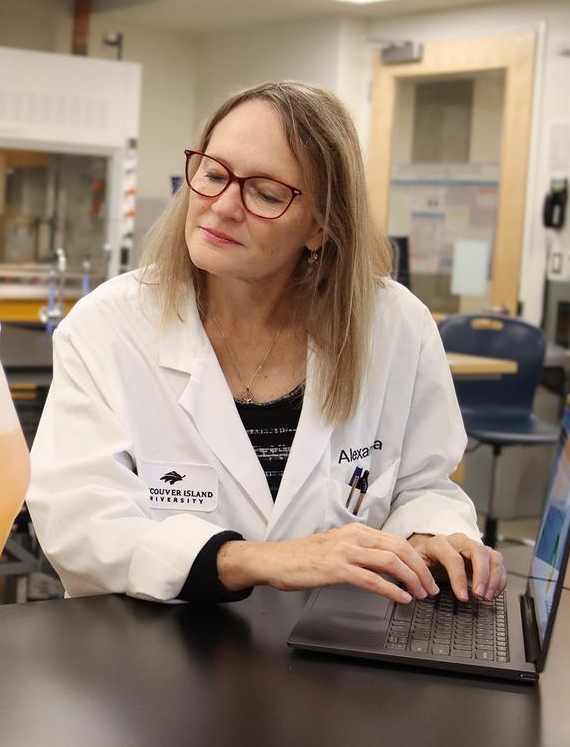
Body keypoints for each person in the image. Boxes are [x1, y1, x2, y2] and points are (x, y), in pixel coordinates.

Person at [27, 81, 506, 607]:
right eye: (212, 174)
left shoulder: (394, 325)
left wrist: (430, 536)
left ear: (321, 227)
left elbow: (422, 484)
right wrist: (257, 561)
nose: (223, 206)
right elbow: (78, 520)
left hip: (336, 655)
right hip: (156, 651)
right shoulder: (109, 326)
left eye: (265, 194)